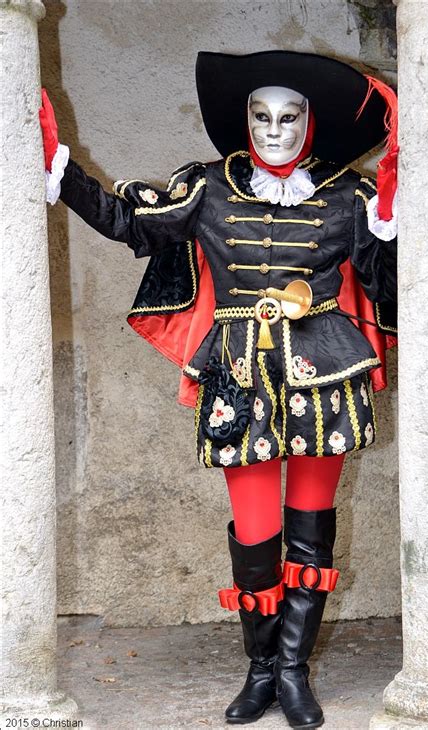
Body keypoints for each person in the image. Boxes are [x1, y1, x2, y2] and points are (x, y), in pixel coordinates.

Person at [40, 50, 398, 729]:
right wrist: (62, 172)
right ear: (244, 121)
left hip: (327, 370)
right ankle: (260, 672)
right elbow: (129, 224)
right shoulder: (208, 185)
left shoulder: (350, 196)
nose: (273, 130)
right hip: (237, 374)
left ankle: (294, 675)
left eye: (289, 117)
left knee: (311, 538)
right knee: (257, 539)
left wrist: (389, 228)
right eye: (260, 116)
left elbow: (387, 284)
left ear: (310, 124)